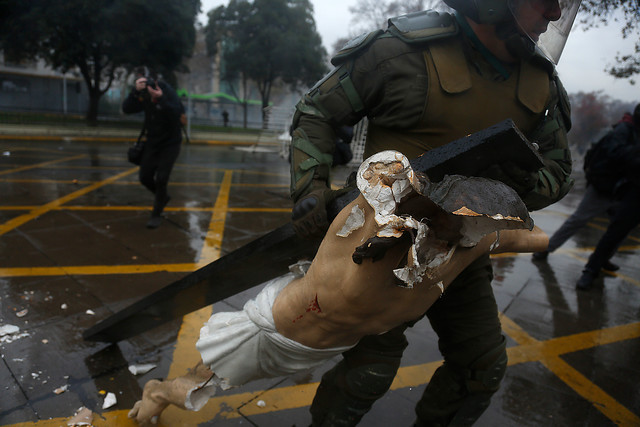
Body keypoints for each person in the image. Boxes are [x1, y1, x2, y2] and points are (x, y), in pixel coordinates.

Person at [288, 0, 579, 425]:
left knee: (481, 367)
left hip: (461, 251)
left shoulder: (540, 82)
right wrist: (310, 188)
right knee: (369, 371)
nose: (554, 14)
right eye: (543, 0)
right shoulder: (399, 51)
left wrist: (526, 184)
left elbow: (560, 170)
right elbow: (317, 111)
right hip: (377, 251)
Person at [127, 150, 549, 426]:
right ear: (419, 208)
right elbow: (379, 184)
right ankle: (156, 391)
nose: (446, 237)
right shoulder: (371, 240)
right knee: (193, 389)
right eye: (442, 221)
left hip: (321, 347)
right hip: (272, 332)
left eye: (462, 228)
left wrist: (505, 211)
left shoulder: (453, 255)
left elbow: (512, 237)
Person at [532, 108, 640, 273]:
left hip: (623, 188)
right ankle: (546, 249)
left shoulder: (632, 130)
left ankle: (604, 258)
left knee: (619, 228)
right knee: (579, 219)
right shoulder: (625, 129)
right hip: (606, 185)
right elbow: (615, 154)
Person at [573, 104, 640, 290]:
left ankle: (600, 263)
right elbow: (619, 154)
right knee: (615, 230)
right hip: (631, 189)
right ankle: (591, 269)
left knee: (619, 233)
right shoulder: (626, 131)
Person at [122, 67, 183, 229]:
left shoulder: (167, 91)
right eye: (143, 81)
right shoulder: (143, 94)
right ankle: (162, 197)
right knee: (144, 177)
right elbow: (127, 109)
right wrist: (135, 92)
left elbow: (176, 113)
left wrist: (161, 98)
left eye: (150, 81)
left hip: (171, 142)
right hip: (152, 142)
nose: (148, 86)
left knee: (162, 178)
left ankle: (156, 213)